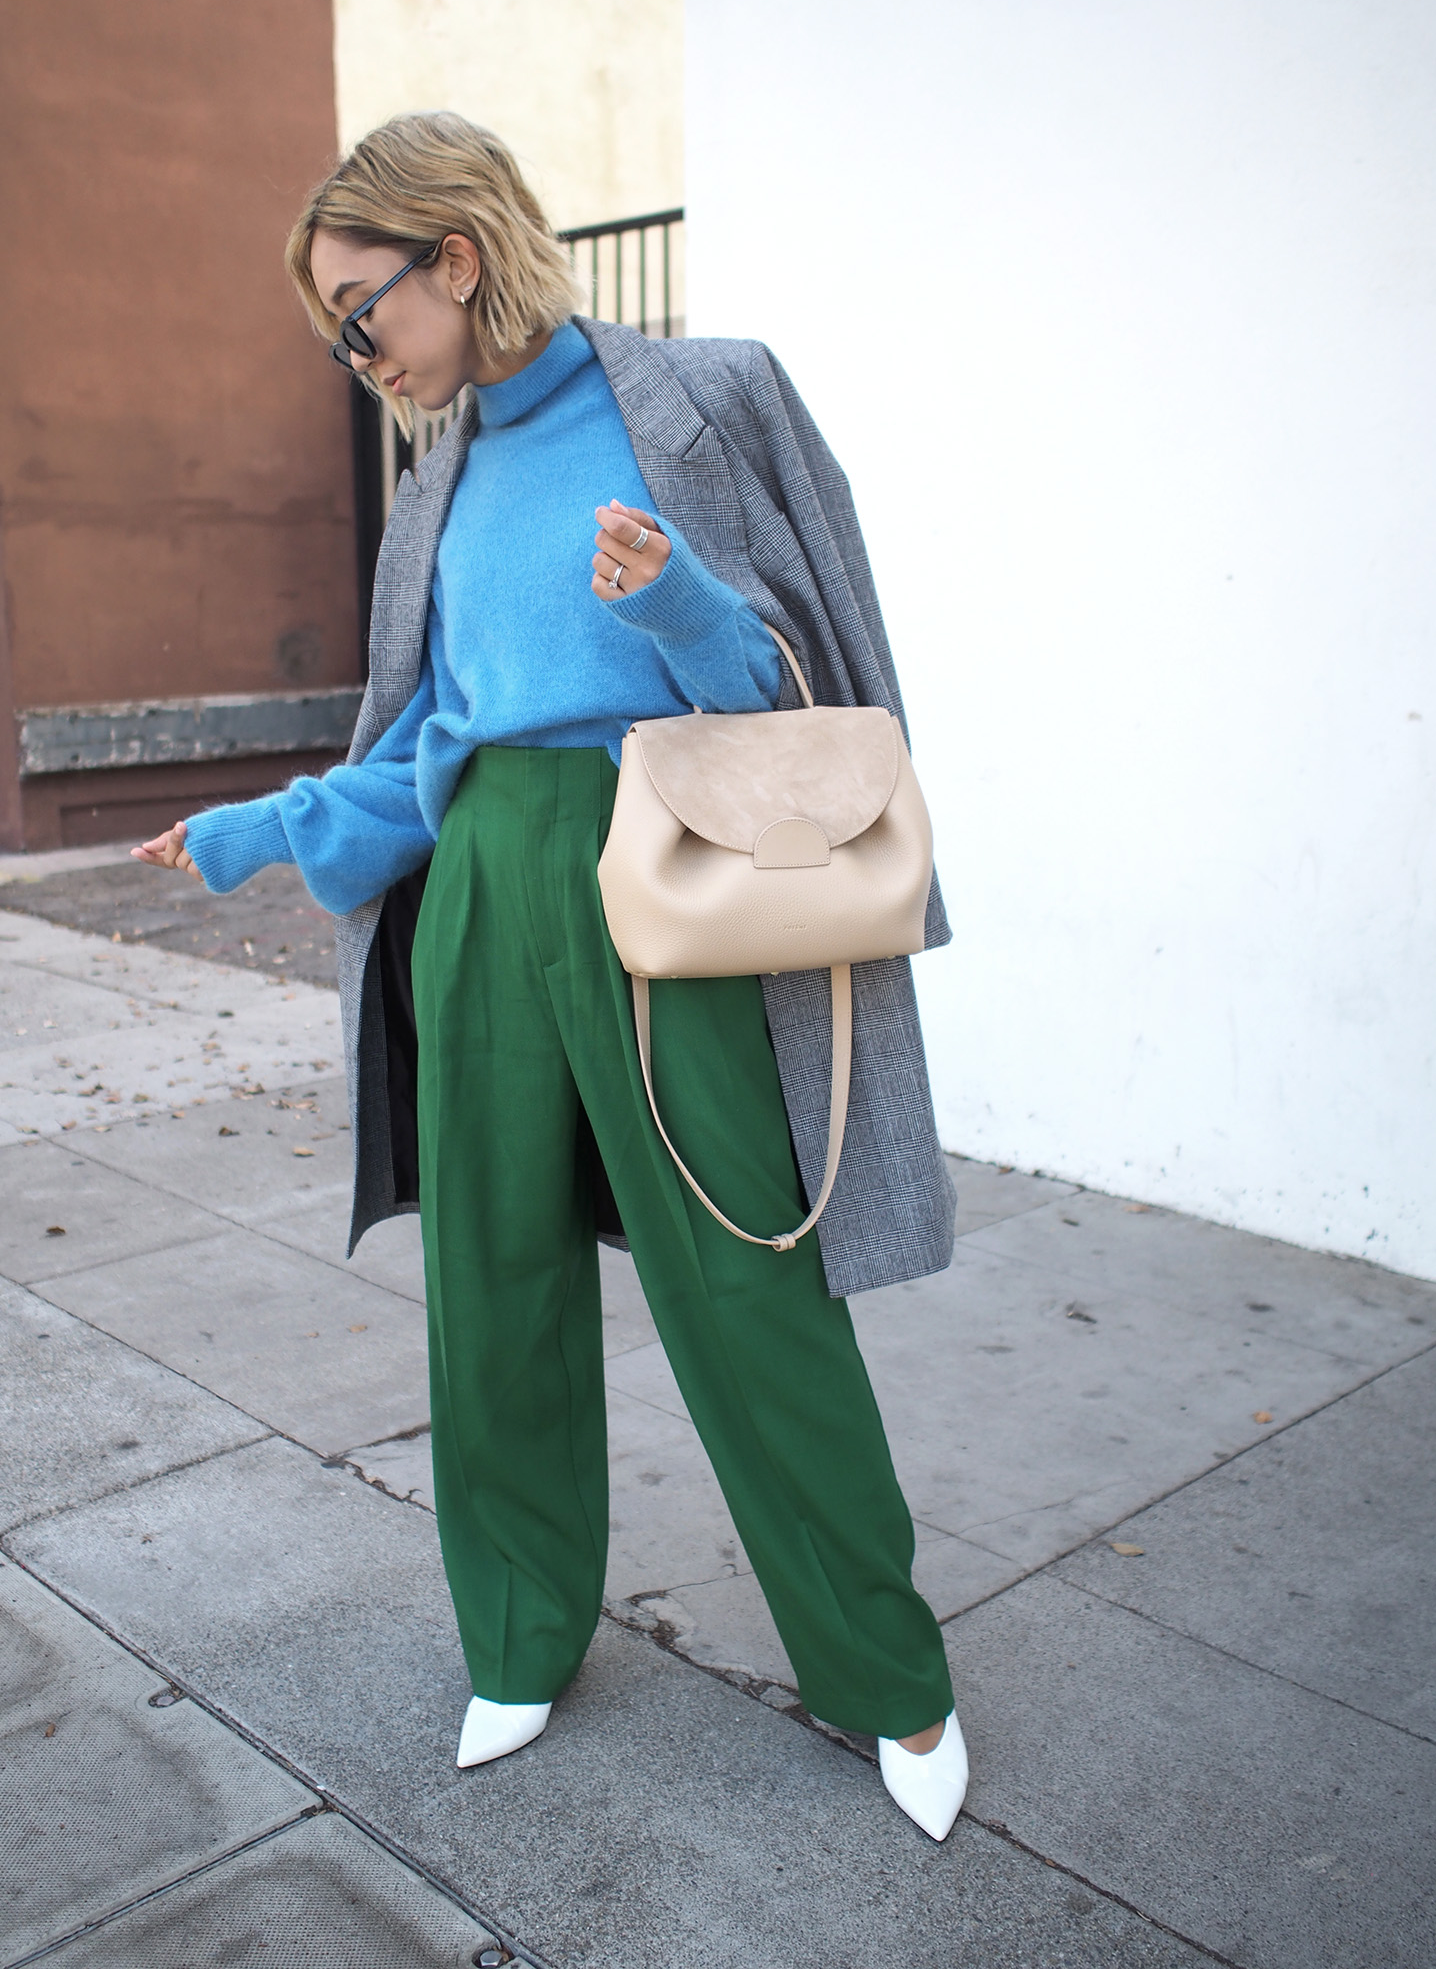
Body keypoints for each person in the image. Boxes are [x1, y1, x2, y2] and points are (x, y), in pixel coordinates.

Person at [134, 111, 967, 1843]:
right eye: (333, 330)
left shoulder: (703, 397)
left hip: (659, 868)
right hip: (483, 885)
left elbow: (796, 680)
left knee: (746, 1279)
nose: (356, 354)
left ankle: (888, 1674)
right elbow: (433, 740)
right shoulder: (440, 477)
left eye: (363, 311)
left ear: (455, 253)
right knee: (490, 1280)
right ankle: (518, 1633)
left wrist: (670, 598)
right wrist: (261, 826)